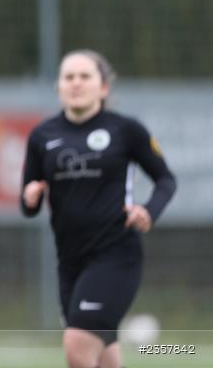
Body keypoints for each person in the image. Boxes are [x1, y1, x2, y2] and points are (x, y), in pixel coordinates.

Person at [21, 50, 177, 368]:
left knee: (77, 349)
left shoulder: (126, 130)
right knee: (104, 357)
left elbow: (165, 180)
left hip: (116, 254)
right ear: (59, 87)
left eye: (85, 76)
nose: (76, 83)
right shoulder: (42, 136)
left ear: (103, 87)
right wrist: (30, 198)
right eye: (68, 77)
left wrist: (149, 211)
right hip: (70, 261)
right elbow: (29, 206)